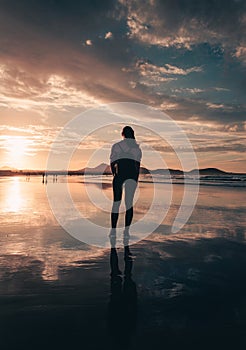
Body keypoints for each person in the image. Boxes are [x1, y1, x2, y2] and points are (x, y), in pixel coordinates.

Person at [110, 126, 142, 234]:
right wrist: (135, 180)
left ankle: (113, 230)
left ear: (122, 134)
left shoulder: (117, 146)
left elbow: (112, 163)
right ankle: (126, 231)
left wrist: (115, 175)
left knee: (116, 203)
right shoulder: (137, 149)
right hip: (132, 177)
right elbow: (137, 166)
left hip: (119, 176)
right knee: (129, 204)